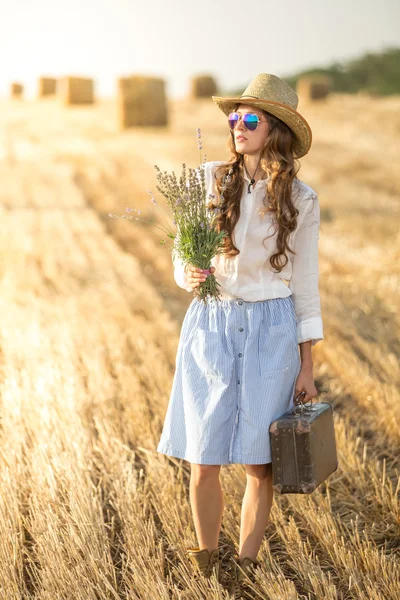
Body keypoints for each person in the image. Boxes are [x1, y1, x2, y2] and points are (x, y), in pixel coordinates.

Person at [156, 73, 324, 597]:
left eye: (249, 119)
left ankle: (246, 564)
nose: (237, 126)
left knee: (258, 459)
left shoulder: (302, 198)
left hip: (272, 327)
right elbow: (183, 256)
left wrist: (308, 365)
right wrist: (191, 274)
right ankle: (207, 558)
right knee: (203, 455)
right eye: (233, 118)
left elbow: (306, 286)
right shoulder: (207, 180)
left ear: (275, 131)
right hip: (212, 323)